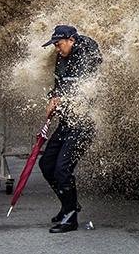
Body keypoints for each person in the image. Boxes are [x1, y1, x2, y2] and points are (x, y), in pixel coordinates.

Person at [38, 25, 102, 233]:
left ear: (71, 40)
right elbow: (58, 87)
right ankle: (69, 205)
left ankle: (70, 219)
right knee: (47, 164)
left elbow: (85, 91)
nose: (57, 48)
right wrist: (52, 99)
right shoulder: (61, 58)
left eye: (58, 44)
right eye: (55, 45)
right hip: (67, 122)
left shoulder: (86, 56)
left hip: (83, 123)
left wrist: (61, 100)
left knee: (62, 169)